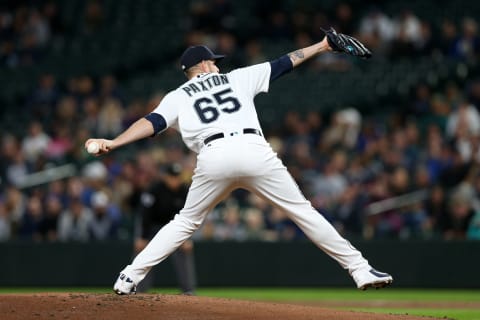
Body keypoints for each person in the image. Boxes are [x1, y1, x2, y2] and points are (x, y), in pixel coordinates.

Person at [85, 30, 393, 294]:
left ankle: (129, 276)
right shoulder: (237, 77)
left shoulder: (177, 95)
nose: (218, 65)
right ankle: (359, 269)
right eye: (214, 61)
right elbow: (286, 62)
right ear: (204, 64)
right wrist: (323, 45)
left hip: (213, 156)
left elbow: (151, 122)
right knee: (302, 212)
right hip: (253, 148)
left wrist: (113, 142)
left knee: (184, 222)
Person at [134, 163, 196, 295]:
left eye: (177, 177)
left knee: (184, 252)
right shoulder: (154, 190)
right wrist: (143, 237)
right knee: (144, 255)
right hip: (153, 228)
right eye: (172, 176)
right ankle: (139, 290)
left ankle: (188, 291)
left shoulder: (185, 191)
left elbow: (191, 215)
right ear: (166, 177)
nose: (175, 180)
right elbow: (145, 215)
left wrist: (187, 238)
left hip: (175, 228)